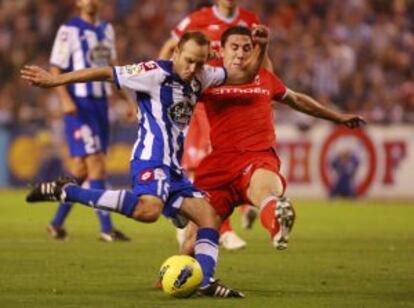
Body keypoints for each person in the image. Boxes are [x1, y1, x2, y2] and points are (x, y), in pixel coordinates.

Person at [22, 28, 269, 298]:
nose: (193, 68)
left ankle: (206, 280)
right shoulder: (153, 73)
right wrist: (55, 81)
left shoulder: (203, 75)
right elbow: (106, 72)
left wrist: (261, 46)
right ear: (176, 52)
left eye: (200, 62)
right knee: (148, 211)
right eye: (188, 60)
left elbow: (244, 74)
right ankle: (66, 191)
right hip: (150, 160)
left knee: (209, 216)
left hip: (174, 170)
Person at [179, 26, 366, 255]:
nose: (240, 53)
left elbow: (297, 100)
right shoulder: (208, 76)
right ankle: (184, 278)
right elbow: (177, 84)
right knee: (192, 240)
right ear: (222, 50)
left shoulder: (264, 77)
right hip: (220, 163)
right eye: (235, 47)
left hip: (257, 156)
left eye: (247, 48)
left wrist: (338, 117)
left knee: (266, 191)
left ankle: (278, 222)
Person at [159, 0, 266, 251]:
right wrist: (165, 84)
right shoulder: (198, 19)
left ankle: (228, 215)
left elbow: (262, 60)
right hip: (206, 100)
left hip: (236, 100)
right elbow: (169, 48)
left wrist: (264, 93)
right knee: (207, 162)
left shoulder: (250, 20)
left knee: (234, 156)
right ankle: (218, 227)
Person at [46, 0, 129, 242]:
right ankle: (106, 228)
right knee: (97, 163)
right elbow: (54, 69)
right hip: (79, 106)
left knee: (81, 170)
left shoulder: (107, 30)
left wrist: (128, 100)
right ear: (78, 2)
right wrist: (64, 100)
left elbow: (112, 69)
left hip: (101, 106)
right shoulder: (68, 30)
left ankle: (56, 224)